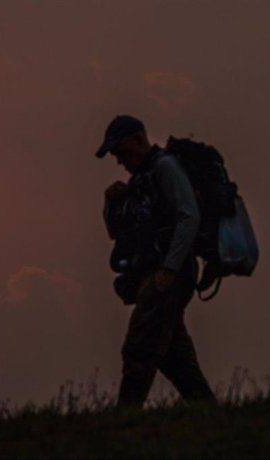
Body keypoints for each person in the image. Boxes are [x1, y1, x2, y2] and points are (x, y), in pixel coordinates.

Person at [96, 115, 216, 408]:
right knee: (175, 355)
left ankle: (126, 415)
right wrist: (111, 202)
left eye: (120, 151)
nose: (119, 159)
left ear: (139, 139)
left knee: (140, 344)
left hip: (169, 273)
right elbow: (117, 232)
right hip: (156, 272)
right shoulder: (140, 181)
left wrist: (169, 269)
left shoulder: (164, 167)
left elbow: (189, 216)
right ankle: (206, 409)